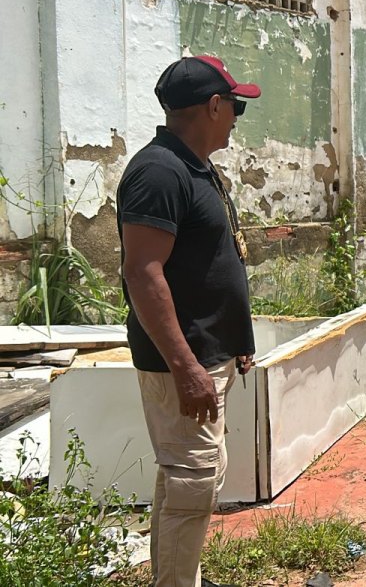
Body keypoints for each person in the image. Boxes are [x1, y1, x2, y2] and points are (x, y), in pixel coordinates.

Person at [117, 55, 261, 587]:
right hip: (184, 363)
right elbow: (142, 272)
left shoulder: (194, 166)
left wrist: (235, 338)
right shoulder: (159, 171)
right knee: (191, 482)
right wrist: (186, 367)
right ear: (213, 105)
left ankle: (177, 579)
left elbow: (208, 263)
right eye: (236, 106)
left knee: (189, 481)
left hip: (206, 353)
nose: (237, 118)